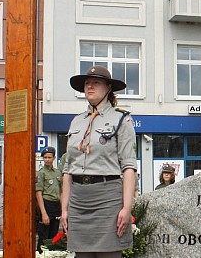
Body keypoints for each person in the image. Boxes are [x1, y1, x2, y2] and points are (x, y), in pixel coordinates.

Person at [61, 65, 136, 258]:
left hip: (107, 199)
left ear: (108, 88)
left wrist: (126, 208)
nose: (90, 87)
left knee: (109, 255)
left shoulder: (121, 119)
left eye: (96, 83)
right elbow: (68, 169)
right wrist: (64, 208)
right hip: (78, 200)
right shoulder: (76, 122)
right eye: (87, 83)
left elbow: (128, 167)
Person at [36, 147, 63, 251]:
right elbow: (38, 193)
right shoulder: (41, 173)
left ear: (54, 158)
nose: (47, 159)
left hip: (56, 206)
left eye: (49, 157)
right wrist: (43, 213)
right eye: (45, 157)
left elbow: (61, 192)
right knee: (43, 238)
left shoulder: (57, 173)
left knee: (54, 238)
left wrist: (62, 209)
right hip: (46, 205)